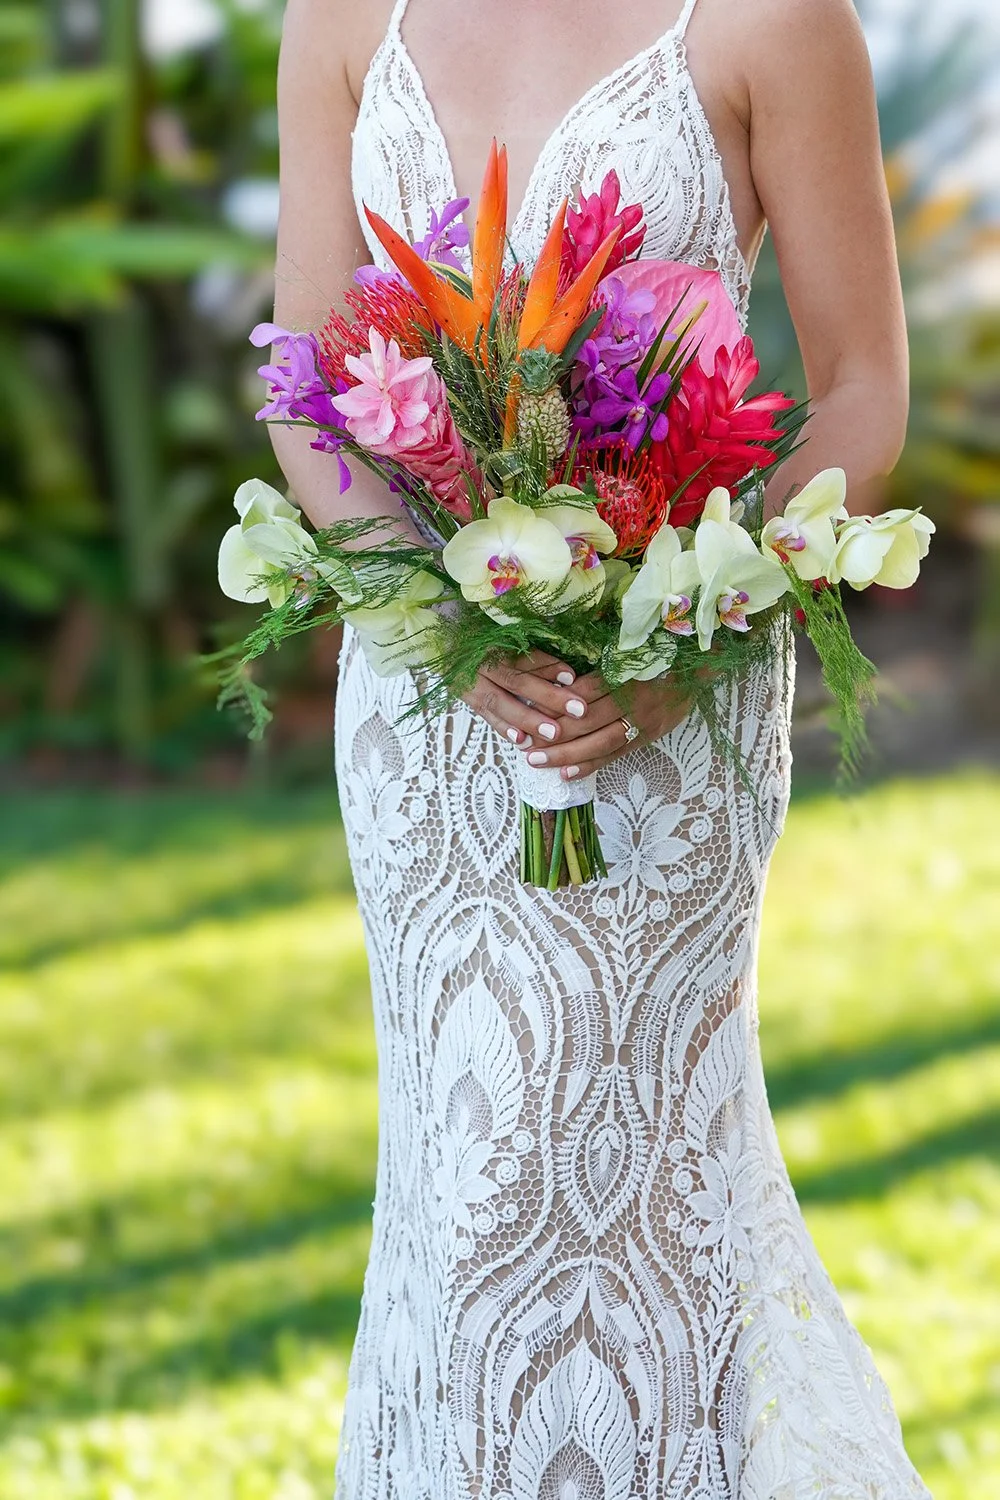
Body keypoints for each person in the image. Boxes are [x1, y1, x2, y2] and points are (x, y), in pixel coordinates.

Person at [268, 0, 929, 1494]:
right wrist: (438, 623)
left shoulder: (777, 22)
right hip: (429, 715)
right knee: (461, 1185)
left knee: (639, 1185)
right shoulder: (339, 14)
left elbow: (864, 390)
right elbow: (309, 388)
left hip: (666, 706)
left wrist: (678, 642)